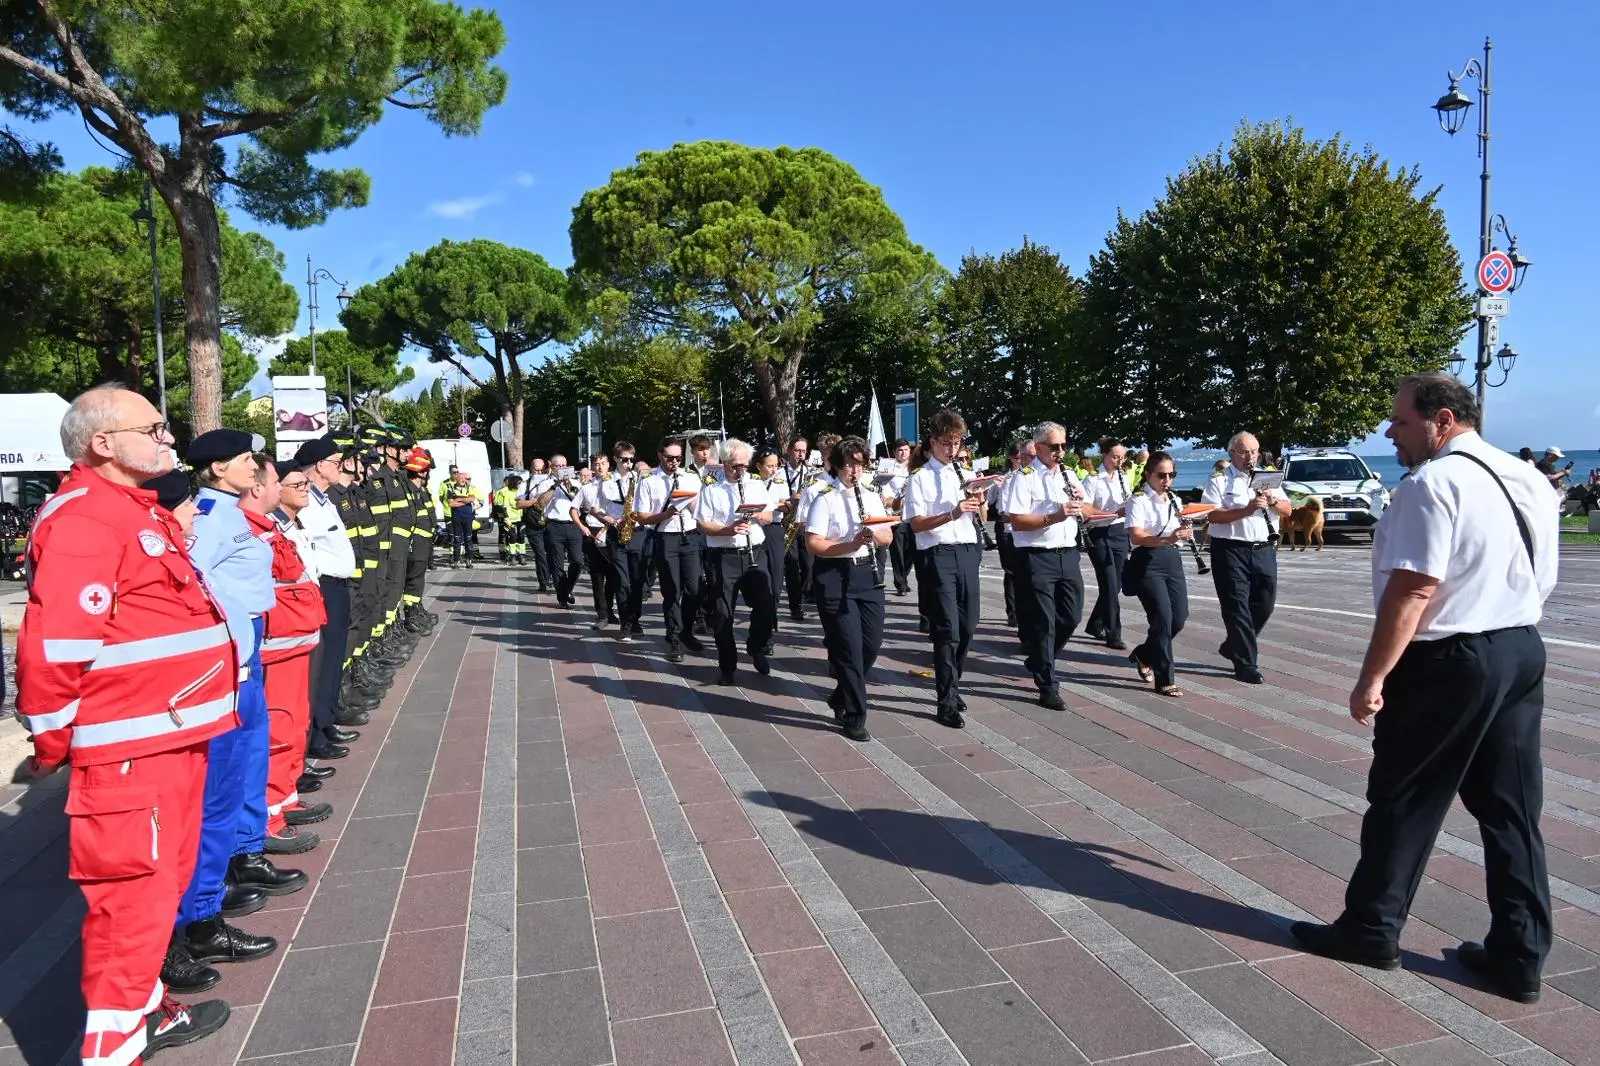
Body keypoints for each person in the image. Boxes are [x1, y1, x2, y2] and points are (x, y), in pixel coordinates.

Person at [1291, 374, 1559, 1005]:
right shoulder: (1525, 478)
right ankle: (1520, 957)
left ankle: (1371, 927)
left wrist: (1372, 677)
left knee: (1404, 797)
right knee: (1512, 809)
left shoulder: (1434, 483)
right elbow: (1540, 572)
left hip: (1449, 657)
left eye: (1399, 422)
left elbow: (1413, 590)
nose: (1390, 432)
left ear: (1440, 421)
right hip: (1519, 646)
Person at [16, 386, 235, 1061]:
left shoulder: (129, 512)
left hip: (169, 741)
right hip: (131, 755)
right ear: (103, 443)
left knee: (156, 889)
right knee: (130, 904)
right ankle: (112, 1049)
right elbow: (54, 651)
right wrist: (54, 742)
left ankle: (145, 1013)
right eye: (155, 428)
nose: (170, 439)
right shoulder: (88, 519)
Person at [244, 461, 332, 848]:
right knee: (277, 729)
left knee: (293, 725)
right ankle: (269, 818)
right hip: (274, 649)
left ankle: (285, 797)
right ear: (257, 488)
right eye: (278, 481)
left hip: (295, 642)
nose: (282, 487)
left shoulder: (265, 529)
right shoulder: (243, 532)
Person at [999, 421, 1102, 710]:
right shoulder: (1024, 477)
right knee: (1044, 622)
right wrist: (1054, 516)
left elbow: (1090, 510)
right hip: (1036, 555)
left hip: (1068, 553)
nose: (1060, 451)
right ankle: (1047, 684)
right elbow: (1016, 520)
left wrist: (1086, 506)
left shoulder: (1068, 474)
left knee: (1071, 616)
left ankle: (1038, 659)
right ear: (1039, 447)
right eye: (1055, 446)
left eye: (1064, 446)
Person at [806, 436, 893, 742]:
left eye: (860, 464)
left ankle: (840, 695)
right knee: (849, 650)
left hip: (867, 575)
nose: (855, 471)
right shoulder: (825, 497)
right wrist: (849, 544)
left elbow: (887, 538)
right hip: (834, 575)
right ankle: (855, 715)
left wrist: (875, 536)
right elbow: (814, 543)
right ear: (839, 466)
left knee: (871, 644)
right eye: (850, 464)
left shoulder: (870, 496)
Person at [904, 409, 982, 728]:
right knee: (947, 629)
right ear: (933, 442)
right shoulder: (919, 478)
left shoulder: (961, 473)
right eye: (947, 443)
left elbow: (980, 517)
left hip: (966, 551)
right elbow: (917, 524)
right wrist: (952, 512)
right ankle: (946, 699)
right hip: (937, 554)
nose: (952, 450)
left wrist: (980, 502)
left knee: (968, 626)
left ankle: (953, 683)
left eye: (957, 443)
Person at [295, 436, 368, 760]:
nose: (342, 467)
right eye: (336, 462)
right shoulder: (306, 501)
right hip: (323, 586)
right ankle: (315, 734)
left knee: (334, 658)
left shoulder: (323, 499)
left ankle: (325, 722)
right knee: (322, 665)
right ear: (319, 466)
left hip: (338, 587)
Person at [1201, 432, 1291, 683]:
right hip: (1230, 549)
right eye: (1243, 452)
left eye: (1253, 451)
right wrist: (1246, 510)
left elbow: (1288, 509)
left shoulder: (1269, 477)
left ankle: (1234, 645)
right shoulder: (1219, 480)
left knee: (1265, 603)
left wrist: (1273, 501)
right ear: (1231, 453)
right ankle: (1246, 664)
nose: (1250, 456)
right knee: (1236, 607)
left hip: (1263, 548)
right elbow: (1212, 516)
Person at [697, 439, 777, 683]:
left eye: (744, 465)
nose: (741, 470)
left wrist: (756, 515)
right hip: (724, 556)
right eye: (735, 466)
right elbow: (703, 524)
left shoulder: (755, 485)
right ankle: (728, 667)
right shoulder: (711, 489)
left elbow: (769, 516)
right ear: (724, 463)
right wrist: (728, 530)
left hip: (755, 550)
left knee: (766, 607)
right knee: (722, 614)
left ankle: (755, 646)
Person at [1123, 452, 1192, 697]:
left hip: (1171, 559)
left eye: (1172, 475)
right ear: (1149, 475)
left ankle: (1144, 653)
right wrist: (1168, 537)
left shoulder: (1174, 499)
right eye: (1161, 475)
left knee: (1179, 617)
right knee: (1162, 618)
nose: (1167, 480)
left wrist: (1185, 531)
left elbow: (1179, 531)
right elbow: (1136, 536)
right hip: (1147, 560)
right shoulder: (1138, 500)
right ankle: (1165, 679)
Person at [633, 440, 708, 662]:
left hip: (691, 536)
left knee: (695, 589)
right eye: (669, 457)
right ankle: (674, 637)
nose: (674, 462)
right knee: (672, 590)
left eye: (678, 458)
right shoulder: (648, 480)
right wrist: (666, 514)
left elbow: (702, 508)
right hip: (665, 538)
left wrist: (696, 509)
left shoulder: (691, 478)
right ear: (660, 455)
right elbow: (641, 516)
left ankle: (685, 630)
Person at [1084, 440, 1134, 651]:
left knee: (1117, 584)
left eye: (1122, 457)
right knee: (1109, 583)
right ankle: (1113, 632)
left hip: (1119, 532)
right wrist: (1114, 512)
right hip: (1099, 532)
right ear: (1104, 456)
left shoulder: (1123, 477)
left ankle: (1095, 623)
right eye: (1115, 457)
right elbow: (1087, 511)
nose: (1119, 461)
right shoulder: (1093, 479)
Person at [576, 453, 622, 631]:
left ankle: (610, 611)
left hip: (612, 531)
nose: (600, 467)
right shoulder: (588, 487)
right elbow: (574, 508)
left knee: (613, 576)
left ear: (608, 464)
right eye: (597, 464)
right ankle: (601, 614)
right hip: (594, 532)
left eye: (603, 463)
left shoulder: (616, 484)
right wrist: (582, 527)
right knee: (597, 576)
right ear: (593, 467)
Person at [541, 459, 585, 607]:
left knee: (578, 561)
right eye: (557, 466)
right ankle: (562, 598)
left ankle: (568, 587)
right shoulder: (546, 483)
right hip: (554, 526)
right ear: (551, 468)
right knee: (557, 564)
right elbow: (541, 502)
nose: (561, 468)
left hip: (573, 525)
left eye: (563, 466)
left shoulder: (576, 483)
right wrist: (556, 485)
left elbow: (582, 502)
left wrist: (570, 486)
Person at [781, 436, 814, 621]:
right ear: (790, 450)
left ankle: (802, 595)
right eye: (797, 450)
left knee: (808, 566)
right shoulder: (779, 474)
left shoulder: (810, 473)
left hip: (804, 524)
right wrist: (789, 500)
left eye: (804, 450)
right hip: (787, 524)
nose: (800, 454)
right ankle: (795, 606)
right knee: (792, 568)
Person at [881, 438, 916, 596]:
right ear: (895, 452)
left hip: (912, 513)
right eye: (900, 450)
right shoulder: (888, 468)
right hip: (896, 515)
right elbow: (884, 490)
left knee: (910, 551)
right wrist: (893, 501)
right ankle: (900, 582)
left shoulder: (916, 468)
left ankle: (903, 577)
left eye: (906, 450)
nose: (903, 453)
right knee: (898, 551)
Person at [520, 457, 556, 592]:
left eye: (542, 470)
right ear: (531, 469)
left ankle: (552, 577)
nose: (539, 473)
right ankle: (543, 581)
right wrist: (536, 501)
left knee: (553, 552)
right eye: (536, 470)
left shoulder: (552, 481)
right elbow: (519, 503)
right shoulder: (526, 484)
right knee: (540, 553)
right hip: (533, 522)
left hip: (550, 522)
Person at [443, 468, 483, 568]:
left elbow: (472, 498)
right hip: (456, 518)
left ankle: (469, 561)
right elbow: (451, 504)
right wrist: (466, 502)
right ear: (456, 479)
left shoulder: (470, 488)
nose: (463, 480)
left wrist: (459, 499)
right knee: (457, 540)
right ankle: (456, 561)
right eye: (460, 478)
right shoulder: (450, 489)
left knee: (468, 539)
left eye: (464, 479)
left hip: (468, 517)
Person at [493, 473, 527, 565]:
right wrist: (504, 518)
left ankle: (522, 555)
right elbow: (498, 505)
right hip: (509, 519)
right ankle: (512, 556)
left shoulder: (522, 492)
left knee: (521, 537)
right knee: (512, 537)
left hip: (520, 519)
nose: (521, 485)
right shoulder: (504, 491)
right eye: (519, 483)